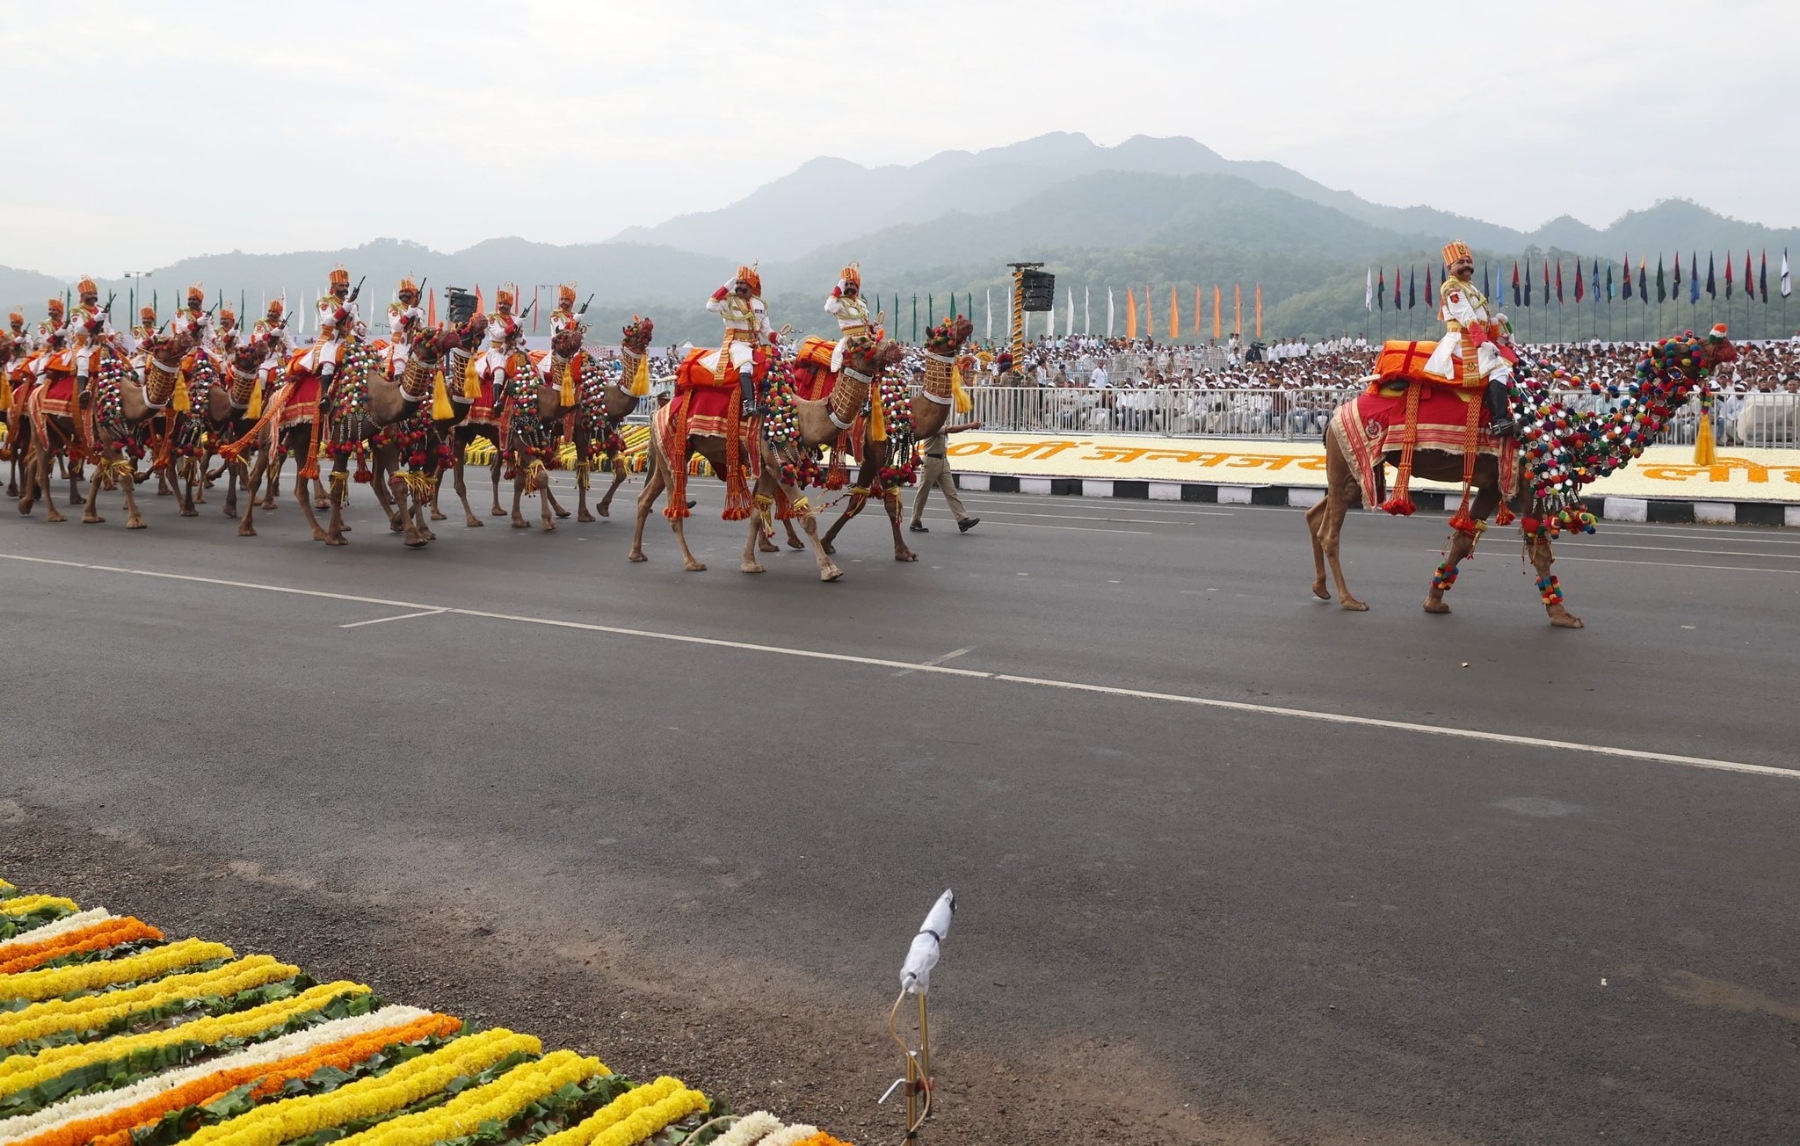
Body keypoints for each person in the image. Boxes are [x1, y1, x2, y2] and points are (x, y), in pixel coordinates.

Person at [1423, 240, 1515, 434]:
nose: (1466, 265)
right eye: (1460, 262)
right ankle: (1498, 421)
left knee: (1507, 361)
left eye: (1468, 261)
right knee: (1498, 368)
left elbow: (1483, 320)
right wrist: (1483, 342)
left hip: (1476, 338)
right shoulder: (1452, 288)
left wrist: (1498, 327)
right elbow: (1468, 318)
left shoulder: (1470, 287)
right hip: (1461, 340)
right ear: (1450, 267)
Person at [908, 420, 983, 534]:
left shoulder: (940, 425)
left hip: (943, 461)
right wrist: (970, 426)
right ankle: (915, 521)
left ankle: (962, 519)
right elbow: (951, 429)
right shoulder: (932, 425)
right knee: (923, 493)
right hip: (931, 461)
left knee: (951, 492)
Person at [822, 263, 873, 373]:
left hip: (866, 339)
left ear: (857, 287)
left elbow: (865, 322)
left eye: (852, 284)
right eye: (847, 284)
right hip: (850, 341)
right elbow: (828, 308)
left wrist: (873, 328)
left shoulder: (861, 303)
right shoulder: (840, 302)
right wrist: (838, 288)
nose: (849, 286)